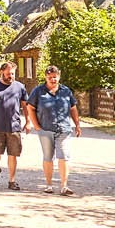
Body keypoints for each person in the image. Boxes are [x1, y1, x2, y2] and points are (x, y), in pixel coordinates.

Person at [26, 64, 83, 194]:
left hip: (63, 128)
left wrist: (77, 125)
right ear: (46, 77)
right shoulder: (38, 91)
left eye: (55, 77)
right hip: (45, 129)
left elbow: (73, 108)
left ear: (59, 76)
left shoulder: (66, 91)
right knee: (48, 156)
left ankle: (64, 186)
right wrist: (36, 125)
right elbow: (30, 107)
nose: (53, 79)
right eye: (50, 77)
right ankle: (49, 184)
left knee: (63, 156)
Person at [0, 60, 29, 189]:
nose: (10, 76)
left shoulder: (20, 87)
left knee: (13, 154)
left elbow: (25, 106)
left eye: (12, 74)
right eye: (8, 74)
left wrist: (28, 121)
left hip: (14, 126)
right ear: (1, 72)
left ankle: (12, 181)